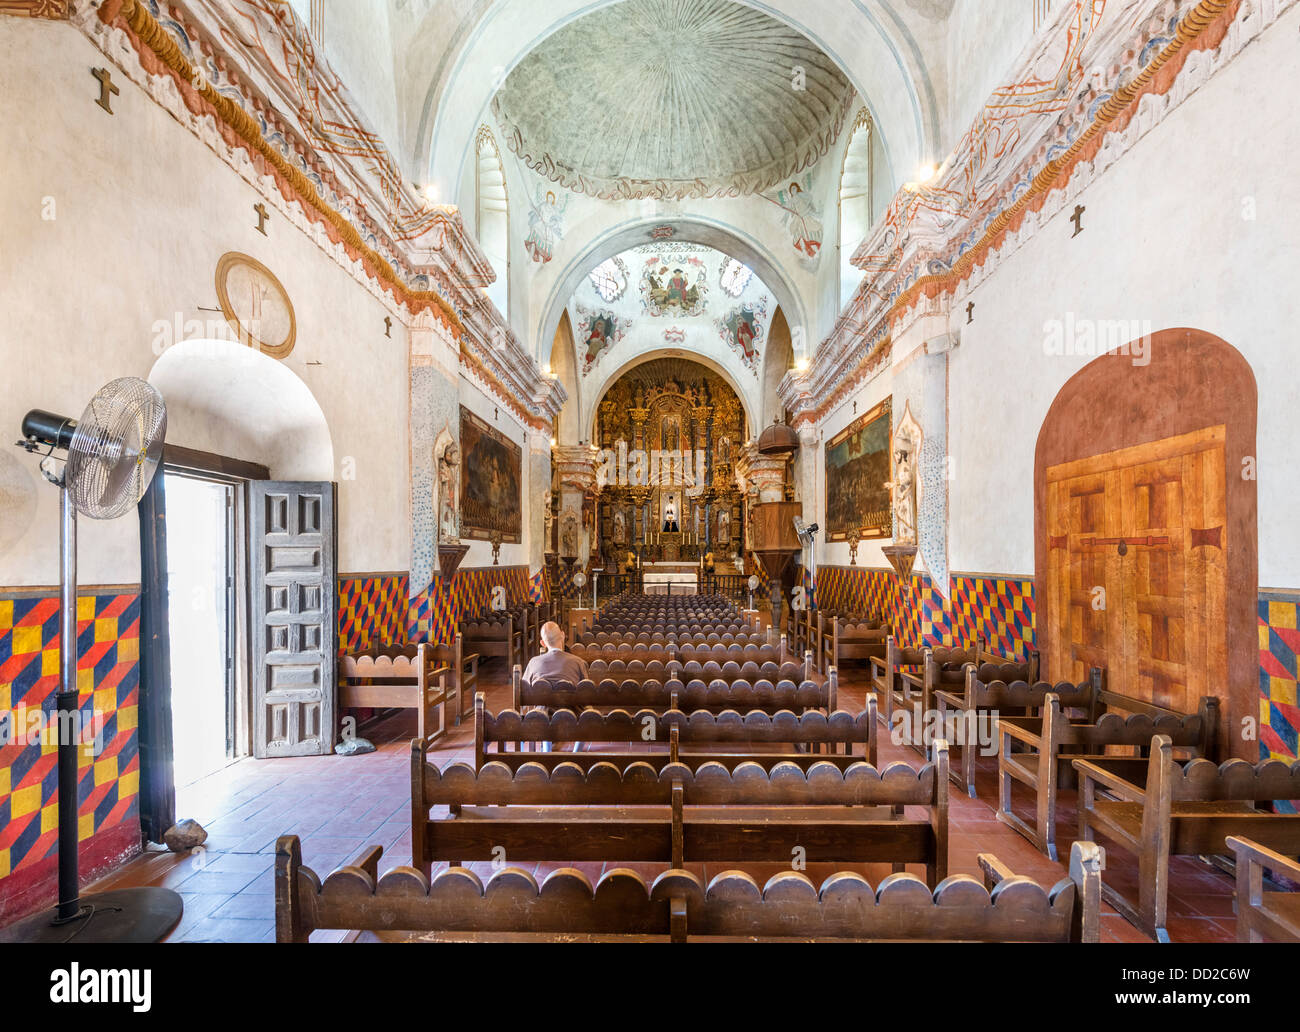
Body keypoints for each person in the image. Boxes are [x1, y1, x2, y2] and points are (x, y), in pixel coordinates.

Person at [521, 621, 588, 686]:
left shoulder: (533, 663)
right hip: (569, 697)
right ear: (563, 635)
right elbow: (586, 690)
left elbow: (524, 689)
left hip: (542, 697)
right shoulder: (578, 662)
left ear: (543, 643)